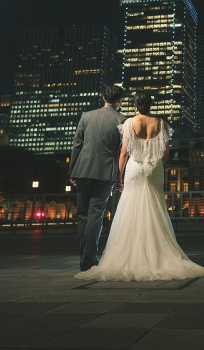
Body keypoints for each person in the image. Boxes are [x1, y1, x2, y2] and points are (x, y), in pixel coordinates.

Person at [75, 90, 204, 281]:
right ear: (150, 105)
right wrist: (158, 164)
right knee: (155, 208)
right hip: (154, 169)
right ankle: (156, 255)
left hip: (135, 168)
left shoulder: (129, 122)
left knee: (130, 210)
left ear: (134, 105)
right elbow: (166, 151)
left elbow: (124, 152)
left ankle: (130, 255)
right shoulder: (161, 123)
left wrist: (119, 175)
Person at [69, 84, 126, 272]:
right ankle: (89, 259)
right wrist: (120, 176)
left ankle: (84, 257)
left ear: (103, 97)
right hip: (105, 172)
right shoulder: (122, 120)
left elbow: (77, 144)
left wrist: (72, 170)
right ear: (120, 101)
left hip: (82, 170)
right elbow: (122, 151)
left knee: (82, 216)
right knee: (96, 216)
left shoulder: (87, 116)